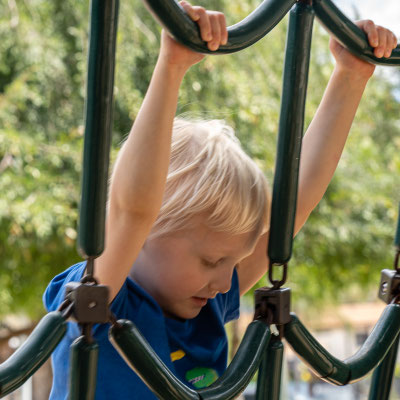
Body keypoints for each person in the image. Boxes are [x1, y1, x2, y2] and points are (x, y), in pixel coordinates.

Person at [43, 2, 398, 399]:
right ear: (150, 229)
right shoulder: (100, 295)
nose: (226, 280)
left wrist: (351, 78)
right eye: (212, 261)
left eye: (231, 261)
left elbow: (293, 209)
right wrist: (172, 65)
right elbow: (131, 210)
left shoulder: (208, 300)